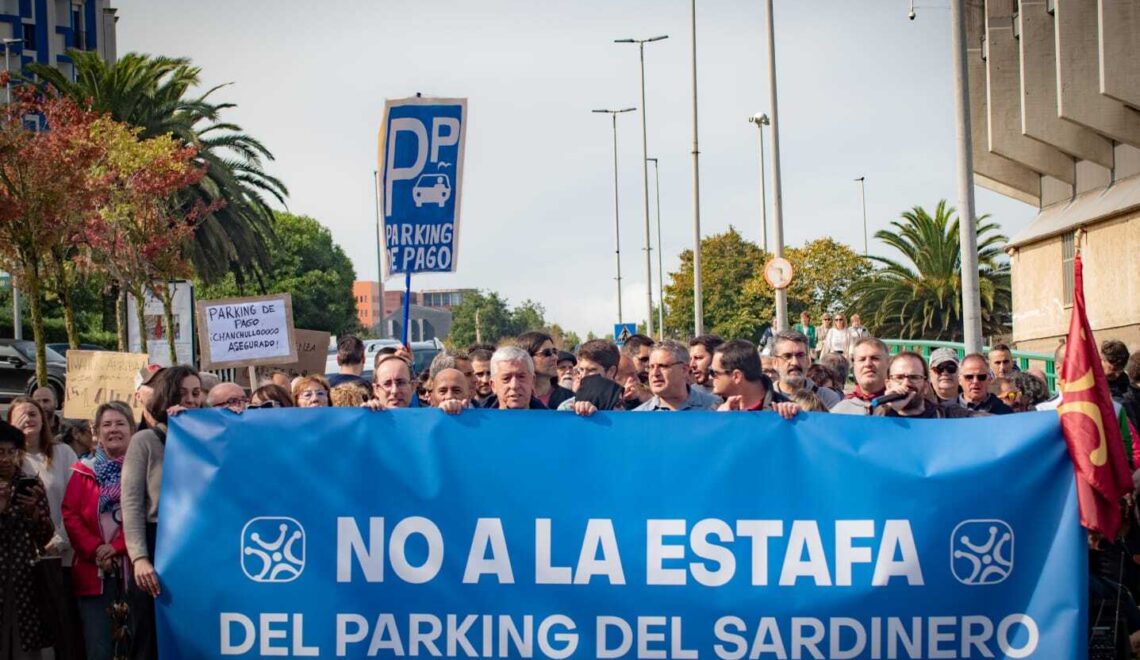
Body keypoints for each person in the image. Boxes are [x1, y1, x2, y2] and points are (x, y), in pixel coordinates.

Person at [121, 364, 202, 659]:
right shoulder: (146, 441)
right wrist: (140, 558)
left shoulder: (209, 438)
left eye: (196, 393)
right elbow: (131, 503)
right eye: (183, 393)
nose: (192, 399)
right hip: (158, 545)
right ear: (168, 395)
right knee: (150, 635)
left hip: (197, 545)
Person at [62, 401, 136, 660]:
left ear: (132, 428)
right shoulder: (83, 471)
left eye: (120, 423)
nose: (113, 429)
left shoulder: (143, 468)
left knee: (137, 644)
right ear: (96, 431)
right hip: (94, 573)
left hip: (136, 572)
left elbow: (147, 514)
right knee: (99, 647)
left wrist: (117, 548)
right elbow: (70, 514)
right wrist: (96, 550)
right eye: (106, 424)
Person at [0, 419, 55, 659]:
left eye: (11, 452)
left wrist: (33, 512)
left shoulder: (30, 484)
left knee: (26, 650)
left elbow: (45, 535)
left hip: (25, 582)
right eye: (0, 452)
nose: (5, 458)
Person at [8, 396, 76, 574]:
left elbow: (78, 503)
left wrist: (59, 541)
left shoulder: (63, 453)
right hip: (17, 555)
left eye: (33, 414)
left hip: (60, 554)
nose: (28, 419)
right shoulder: (6, 460)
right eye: (22, 415)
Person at [708, 339, 798, 418]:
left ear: (736, 376)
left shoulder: (784, 411)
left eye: (714, 373)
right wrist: (718, 421)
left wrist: (797, 416)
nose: (710, 377)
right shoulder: (716, 409)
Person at [873, 352, 975, 418]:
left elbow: (985, 421)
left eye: (914, 377)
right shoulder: (877, 414)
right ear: (888, 385)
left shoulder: (944, 416)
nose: (906, 383)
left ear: (926, 386)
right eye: (899, 377)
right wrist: (890, 408)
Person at [634, 340, 720, 411]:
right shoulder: (639, 417)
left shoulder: (714, 407)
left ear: (684, 370)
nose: (655, 373)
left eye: (663, 366)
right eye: (651, 367)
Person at [769, 331, 841, 409]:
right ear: (775, 362)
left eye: (800, 355)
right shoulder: (765, 400)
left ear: (808, 360)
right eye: (787, 356)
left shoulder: (827, 398)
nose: (794, 362)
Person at [557, 340, 625, 412]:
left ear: (611, 371)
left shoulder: (623, 409)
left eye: (592, 370)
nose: (583, 376)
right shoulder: (568, 408)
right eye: (581, 370)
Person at [830, 337, 890, 415]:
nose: (868, 364)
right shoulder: (839, 411)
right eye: (862, 359)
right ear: (854, 365)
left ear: (888, 363)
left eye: (875, 358)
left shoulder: (903, 408)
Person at [516, 332, 574, 409]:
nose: (555, 358)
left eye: (554, 352)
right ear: (527, 358)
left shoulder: (569, 399)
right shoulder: (515, 399)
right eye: (547, 353)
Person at [480, 346, 545, 410]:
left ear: (533, 382)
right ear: (493, 385)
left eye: (521, 377)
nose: (514, 385)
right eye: (506, 378)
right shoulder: (476, 419)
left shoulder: (550, 419)